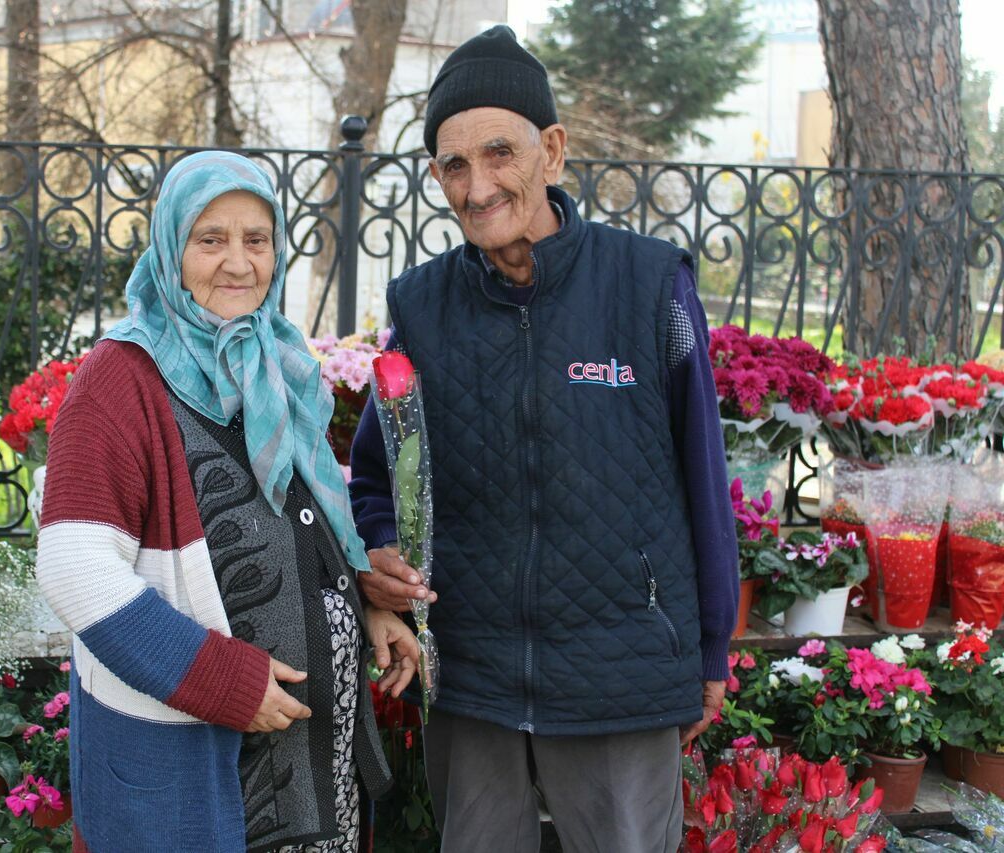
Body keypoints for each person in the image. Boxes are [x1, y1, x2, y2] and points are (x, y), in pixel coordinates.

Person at [348, 26, 740, 853]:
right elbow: (377, 479)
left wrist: (708, 645)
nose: (479, 184)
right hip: (474, 677)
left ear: (552, 151)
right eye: (455, 165)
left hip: (620, 670)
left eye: (500, 152)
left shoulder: (647, 286)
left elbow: (706, 478)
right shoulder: (419, 307)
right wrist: (383, 547)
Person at [37, 151, 418, 853]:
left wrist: (365, 604)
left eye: (257, 239)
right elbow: (74, 570)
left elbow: (299, 515)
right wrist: (222, 680)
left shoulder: (272, 362)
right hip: (195, 777)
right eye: (211, 239)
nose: (239, 262)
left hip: (312, 776)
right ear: (170, 248)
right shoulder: (120, 379)